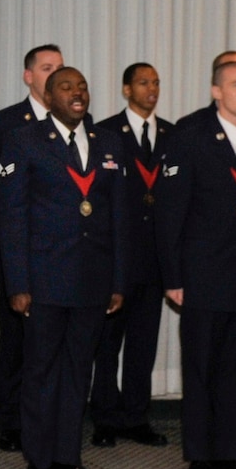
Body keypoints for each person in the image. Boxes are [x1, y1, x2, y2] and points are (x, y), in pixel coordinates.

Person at [0, 66, 126, 469]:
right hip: (44, 281)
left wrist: (118, 281)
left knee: (78, 373)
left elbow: (119, 218)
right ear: (48, 97)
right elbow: (12, 217)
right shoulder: (24, 140)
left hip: (93, 281)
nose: (77, 93)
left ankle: (68, 458)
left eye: (82, 87)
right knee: (40, 373)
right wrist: (18, 284)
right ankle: (38, 461)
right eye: (66, 87)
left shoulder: (109, 142)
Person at [154, 60, 236, 469]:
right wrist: (173, 277)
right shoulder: (189, 135)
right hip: (203, 272)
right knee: (202, 368)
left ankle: (231, 453)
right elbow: (170, 213)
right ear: (216, 91)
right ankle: (201, 455)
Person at [0, 43, 64, 453]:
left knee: (52, 348)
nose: (55, 75)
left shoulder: (77, 123)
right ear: (28, 76)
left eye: (60, 68)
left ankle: (50, 420)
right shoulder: (4, 123)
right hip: (18, 255)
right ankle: (11, 422)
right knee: (16, 344)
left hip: (61, 259)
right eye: (47, 68)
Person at [88, 62, 171, 448]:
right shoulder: (105, 133)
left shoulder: (171, 134)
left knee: (143, 344)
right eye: (142, 82)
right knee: (107, 344)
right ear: (126, 89)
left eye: (155, 83)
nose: (151, 89)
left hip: (155, 260)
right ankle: (105, 417)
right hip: (116, 260)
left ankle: (137, 416)